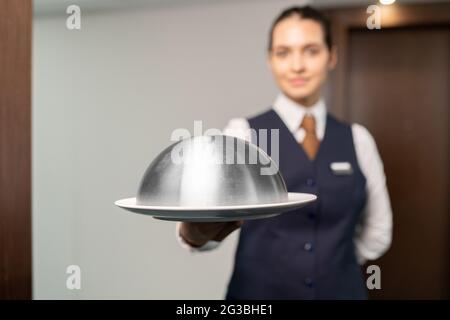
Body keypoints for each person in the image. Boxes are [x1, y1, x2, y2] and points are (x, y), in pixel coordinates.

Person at [177, 5, 393, 299]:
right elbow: (204, 229)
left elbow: (378, 231)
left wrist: (333, 264)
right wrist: (194, 234)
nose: (297, 66)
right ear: (270, 60)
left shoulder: (358, 140)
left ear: (332, 56)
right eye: (283, 52)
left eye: (311, 51)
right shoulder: (242, 134)